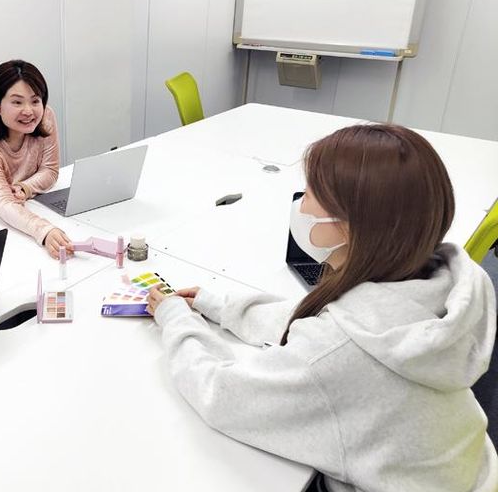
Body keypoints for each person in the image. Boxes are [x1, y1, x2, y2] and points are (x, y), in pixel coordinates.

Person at [146, 124, 497, 492]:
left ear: (351, 223)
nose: (301, 205)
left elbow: (220, 395)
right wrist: (218, 305)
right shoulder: (435, 282)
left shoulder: (337, 352)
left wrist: (176, 319)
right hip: (469, 471)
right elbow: (326, 319)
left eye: (312, 193)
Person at [0, 59, 71, 259]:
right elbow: (4, 203)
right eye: (17, 102)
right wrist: (44, 231)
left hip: (28, 201)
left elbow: (50, 170)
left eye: (35, 100)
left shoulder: (46, 117)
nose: (29, 111)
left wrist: (25, 188)